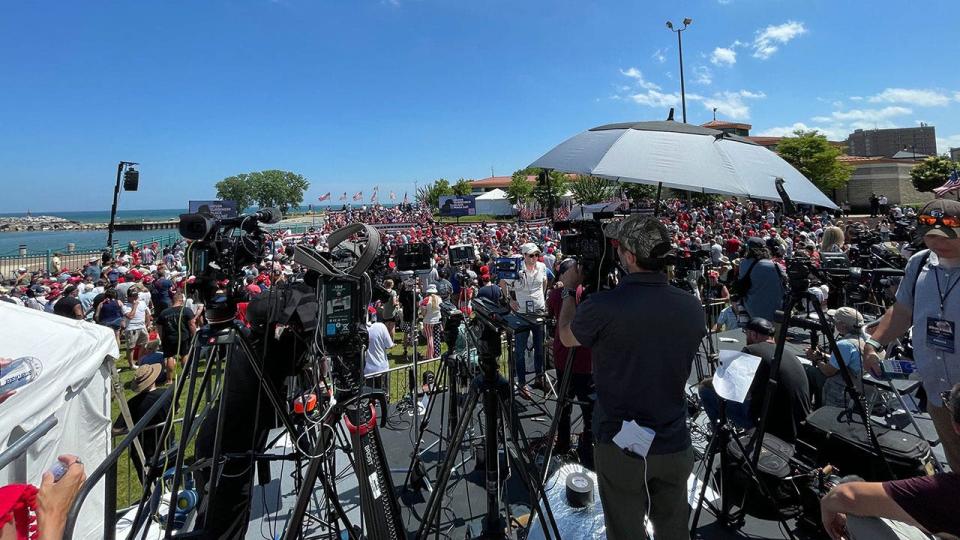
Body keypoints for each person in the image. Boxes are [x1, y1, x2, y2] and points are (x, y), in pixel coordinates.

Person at [557, 214, 706, 540]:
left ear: (629, 256)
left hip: (622, 445)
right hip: (674, 441)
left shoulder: (603, 306)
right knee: (673, 531)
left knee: (626, 532)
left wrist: (569, 291)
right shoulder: (692, 307)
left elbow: (567, 336)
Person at [863, 199, 960, 474]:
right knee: (955, 465)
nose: (937, 243)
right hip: (938, 394)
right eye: (931, 236)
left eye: (947, 236)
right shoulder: (919, 263)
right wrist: (873, 343)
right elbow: (902, 311)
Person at [819, 384, 960, 539]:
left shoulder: (948, 490)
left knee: (858, 520)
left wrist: (826, 505)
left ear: (956, 427)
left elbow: (845, 496)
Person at [698, 317, 811, 442]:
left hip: (771, 426)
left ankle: (720, 439)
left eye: (746, 334)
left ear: (753, 334)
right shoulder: (786, 352)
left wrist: (705, 382)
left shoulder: (752, 350)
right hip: (799, 423)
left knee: (705, 390)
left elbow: (726, 384)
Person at [546, 283, 593, 465]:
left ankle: (563, 444)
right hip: (587, 360)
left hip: (564, 357)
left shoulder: (558, 293)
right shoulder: (593, 292)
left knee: (564, 406)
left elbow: (550, 312)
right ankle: (589, 451)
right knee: (590, 410)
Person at [500, 243, 548, 396]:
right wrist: (509, 300)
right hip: (521, 314)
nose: (534, 258)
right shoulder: (516, 268)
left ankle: (539, 378)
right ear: (524, 256)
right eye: (531, 255)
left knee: (540, 348)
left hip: (538, 313)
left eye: (536, 255)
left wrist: (542, 297)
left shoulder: (541, 266)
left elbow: (546, 281)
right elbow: (502, 282)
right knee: (520, 351)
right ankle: (522, 383)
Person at [113, 364, 170, 482]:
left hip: (143, 450)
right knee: (170, 478)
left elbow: (116, 430)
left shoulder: (132, 403)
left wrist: (134, 429)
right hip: (167, 443)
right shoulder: (167, 394)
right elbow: (177, 410)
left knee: (148, 484)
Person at [805, 306, 866, 409]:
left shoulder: (845, 345)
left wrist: (817, 359)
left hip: (848, 388)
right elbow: (842, 361)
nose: (833, 323)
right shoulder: (865, 339)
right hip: (864, 384)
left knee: (810, 371)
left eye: (835, 321)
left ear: (842, 325)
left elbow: (828, 371)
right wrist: (823, 355)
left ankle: (815, 407)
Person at [737, 237, 786, 322]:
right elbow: (785, 278)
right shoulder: (775, 266)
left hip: (752, 310)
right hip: (775, 311)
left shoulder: (743, 264)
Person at [156, 292, 196, 382]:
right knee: (184, 355)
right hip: (183, 337)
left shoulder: (164, 312)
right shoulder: (186, 310)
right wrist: (194, 335)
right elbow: (192, 324)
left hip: (169, 338)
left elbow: (158, 326)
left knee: (170, 357)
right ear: (181, 300)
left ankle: (169, 380)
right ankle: (186, 375)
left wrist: (162, 337)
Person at [364, 316, 394, 396]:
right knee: (383, 396)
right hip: (381, 367)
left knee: (370, 397)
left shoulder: (360, 329)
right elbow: (389, 344)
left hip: (367, 370)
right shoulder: (381, 326)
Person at [123, 288, 151, 369]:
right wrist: (134, 306)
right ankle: (131, 365)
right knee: (131, 348)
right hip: (132, 328)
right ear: (128, 297)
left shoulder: (142, 303)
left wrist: (148, 324)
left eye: (136, 296)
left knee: (144, 344)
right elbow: (130, 316)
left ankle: (140, 360)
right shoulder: (125, 306)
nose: (135, 298)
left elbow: (147, 313)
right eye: (133, 296)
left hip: (142, 327)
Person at [419, 284, 442, 359]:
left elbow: (423, 313)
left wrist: (422, 315)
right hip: (437, 320)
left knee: (430, 338)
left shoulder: (426, 300)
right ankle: (437, 354)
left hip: (428, 321)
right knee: (437, 337)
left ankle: (429, 356)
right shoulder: (439, 298)